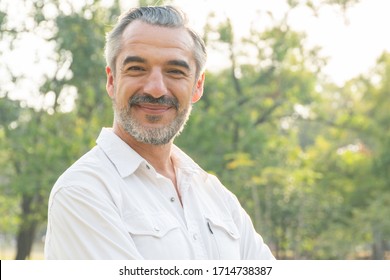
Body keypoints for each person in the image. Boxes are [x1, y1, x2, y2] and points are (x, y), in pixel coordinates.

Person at [44, 5, 275, 260]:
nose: (155, 89)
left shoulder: (215, 195)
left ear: (197, 86)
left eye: (175, 71)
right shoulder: (83, 191)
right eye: (137, 69)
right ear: (112, 81)